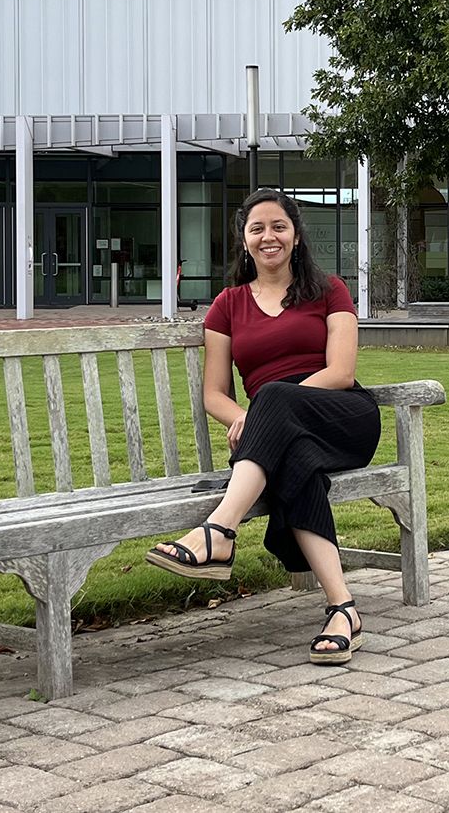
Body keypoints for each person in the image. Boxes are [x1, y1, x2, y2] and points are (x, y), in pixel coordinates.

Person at [144, 188, 382, 665]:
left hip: (340, 414)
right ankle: (343, 610)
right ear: (244, 240)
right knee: (295, 463)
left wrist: (265, 409)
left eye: (279, 227)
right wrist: (251, 419)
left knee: (274, 396)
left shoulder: (330, 290)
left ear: (296, 236)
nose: (268, 237)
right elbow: (215, 394)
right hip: (276, 433)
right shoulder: (227, 305)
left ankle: (218, 532)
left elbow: (340, 372)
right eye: (258, 229)